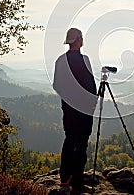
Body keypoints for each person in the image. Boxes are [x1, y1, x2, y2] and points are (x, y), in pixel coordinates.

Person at [53, 28, 97, 195]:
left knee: (70, 140)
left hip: (69, 109)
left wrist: (68, 100)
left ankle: (65, 179)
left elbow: (57, 86)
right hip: (84, 110)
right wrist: (92, 103)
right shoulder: (84, 60)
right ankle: (77, 181)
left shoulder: (60, 61)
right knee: (82, 143)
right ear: (79, 40)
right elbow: (91, 86)